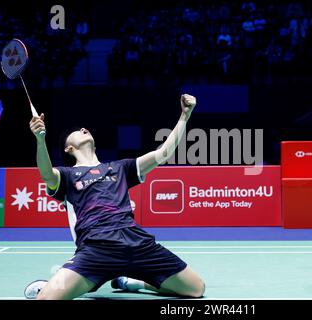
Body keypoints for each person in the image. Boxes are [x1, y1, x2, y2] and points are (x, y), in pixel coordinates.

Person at [27, 94, 205, 299]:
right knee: (46, 298)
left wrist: (185, 115)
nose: (84, 129)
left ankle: (134, 283)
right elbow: (47, 175)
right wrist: (40, 141)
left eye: (85, 129)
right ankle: (64, 284)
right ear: (69, 148)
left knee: (196, 289)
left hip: (137, 243)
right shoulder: (67, 175)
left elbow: (163, 153)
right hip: (97, 247)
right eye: (77, 131)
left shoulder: (119, 168)